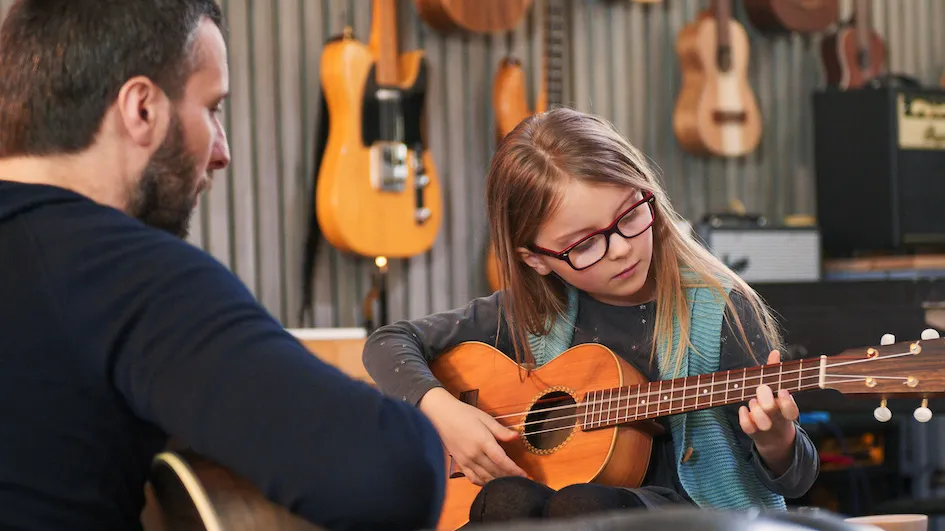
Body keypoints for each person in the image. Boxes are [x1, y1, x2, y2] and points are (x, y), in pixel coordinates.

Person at [0, 1, 444, 530]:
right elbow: (394, 470)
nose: (223, 152)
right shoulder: (126, 273)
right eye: (211, 108)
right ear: (142, 109)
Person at [362, 107, 820, 524]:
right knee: (504, 502)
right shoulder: (535, 312)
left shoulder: (719, 311)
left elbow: (797, 480)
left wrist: (776, 441)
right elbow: (387, 343)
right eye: (584, 244)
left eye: (630, 215)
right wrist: (443, 411)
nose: (620, 248)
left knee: (583, 507)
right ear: (536, 259)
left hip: (698, 516)